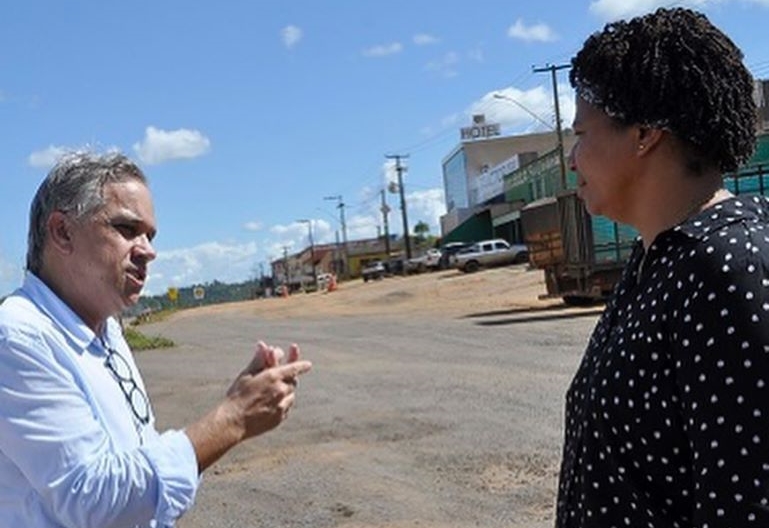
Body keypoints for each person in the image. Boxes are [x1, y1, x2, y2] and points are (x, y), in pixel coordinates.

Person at [0, 152, 312, 527]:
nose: (148, 250)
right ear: (62, 232)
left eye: (149, 235)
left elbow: (136, 455)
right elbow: (92, 497)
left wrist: (239, 401)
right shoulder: (17, 338)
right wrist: (232, 418)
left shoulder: (106, 327)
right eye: (127, 229)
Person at [556, 7, 768, 527]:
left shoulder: (728, 268)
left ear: (645, 132)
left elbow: (748, 502)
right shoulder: (661, 257)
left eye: (581, 133)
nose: (572, 157)